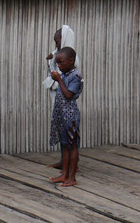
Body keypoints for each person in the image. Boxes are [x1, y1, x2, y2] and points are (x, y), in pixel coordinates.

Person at [44, 25, 79, 169]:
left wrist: (57, 78)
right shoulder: (59, 56)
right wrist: (50, 60)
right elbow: (54, 71)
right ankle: (64, 162)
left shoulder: (73, 60)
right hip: (59, 101)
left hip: (67, 105)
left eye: (58, 41)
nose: (56, 44)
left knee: (70, 138)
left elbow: (67, 86)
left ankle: (72, 166)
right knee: (62, 134)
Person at [48, 47, 83, 187]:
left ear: (71, 61)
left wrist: (59, 81)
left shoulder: (76, 76)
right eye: (58, 63)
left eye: (61, 63)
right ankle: (64, 174)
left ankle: (72, 177)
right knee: (65, 146)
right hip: (62, 116)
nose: (59, 66)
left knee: (72, 146)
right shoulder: (64, 74)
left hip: (70, 117)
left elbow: (69, 95)